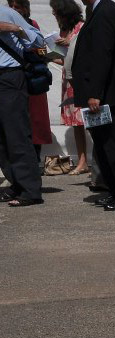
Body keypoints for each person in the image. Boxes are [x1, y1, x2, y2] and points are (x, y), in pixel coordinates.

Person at [72, 0, 115, 211]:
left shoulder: (105, 11)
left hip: (106, 96)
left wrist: (95, 92)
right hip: (108, 93)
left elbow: (102, 54)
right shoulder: (105, 10)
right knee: (104, 146)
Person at [0, 3, 44, 206]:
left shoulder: (7, 13)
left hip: (9, 76)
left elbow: (38, 40)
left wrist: (16, 28)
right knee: (2, 138)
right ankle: (16, 183)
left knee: (16, 133)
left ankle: (30, 189)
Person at [8, 0, 50, 163]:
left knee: (35, 120)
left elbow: (40, 49)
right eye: (10, 6)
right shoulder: (4, 25)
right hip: (12, 77)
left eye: (17, 6)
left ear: (25, 9)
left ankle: (35, 158)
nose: (13, 9)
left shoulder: (32, 24)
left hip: (32, 77)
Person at [49, 0, 87, 175]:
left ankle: (98, 160)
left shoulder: (82, 27)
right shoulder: (63, 31)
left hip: (82, 80)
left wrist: (70, 44)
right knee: (77, 124)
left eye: (56, 11)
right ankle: (82, 160)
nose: (53, 15)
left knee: (91, 120)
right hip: (69, 80)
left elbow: (88, 53)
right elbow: (64, 60)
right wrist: (49, 56)